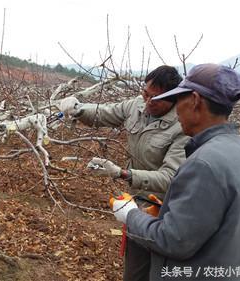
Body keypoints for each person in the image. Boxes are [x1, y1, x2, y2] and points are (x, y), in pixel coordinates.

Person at [110, 64, 240, 280]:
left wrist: (130, 214)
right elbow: (215, 216)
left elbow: (173, 241)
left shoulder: (204, 163)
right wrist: (166, 213)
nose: (176, 109)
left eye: (178, 100)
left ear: (195, 100)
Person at [59, 65, 189, 281]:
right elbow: (106, 112)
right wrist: (79, 109)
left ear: (173, 98)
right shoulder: (136, 106)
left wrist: (122, 173)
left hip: (165, 209)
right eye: (145, 94)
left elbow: (169, 178)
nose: (147, 102)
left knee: (160, 268)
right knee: (135, 267)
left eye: (154, 98)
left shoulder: (182, 127)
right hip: (138, 204)